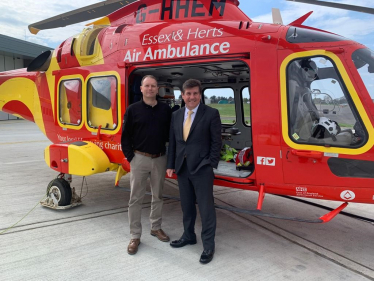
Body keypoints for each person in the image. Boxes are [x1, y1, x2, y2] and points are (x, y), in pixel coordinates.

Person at [166, 79, 221, 264]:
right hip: (182, 168)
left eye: (195, 93)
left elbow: (216, 142)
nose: (192, 97)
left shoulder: (211, 113)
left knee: (206, 209)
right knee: (187, 207)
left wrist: (210, 163)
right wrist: (170, 164)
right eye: (188, 94)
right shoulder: (176, 115)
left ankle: (208, 245)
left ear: (200, 95)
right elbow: (173, 141)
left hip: (202, 168)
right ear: (182, 95)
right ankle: (188, 236)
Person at [121, 75, 172, 255]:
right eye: (147, 86)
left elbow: (171, 136)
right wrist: (131, 157)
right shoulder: (133, 110)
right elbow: (125, 136)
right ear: (141, 89)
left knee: (158, 195)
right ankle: (135, 235)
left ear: (157, 89)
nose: (150, 89)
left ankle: (155, 227)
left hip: (159, 158)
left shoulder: (165, 110)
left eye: (153, 86)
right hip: (139, 158)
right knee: (135, 198)